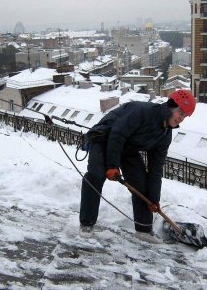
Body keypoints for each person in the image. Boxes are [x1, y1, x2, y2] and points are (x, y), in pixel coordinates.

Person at [79, 89, 196, 243]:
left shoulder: (165, 135)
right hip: (104, 138)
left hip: (127, 147)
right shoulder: (143, 112)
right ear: (171, 108)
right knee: (96, 175)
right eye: (180, 113)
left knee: (141, 184)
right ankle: (86, 223)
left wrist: (154, 199)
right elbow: (117, 134)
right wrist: (112, 165)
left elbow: (156, 168)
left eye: (184, 116)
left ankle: (144, 229)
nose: (181, 118)